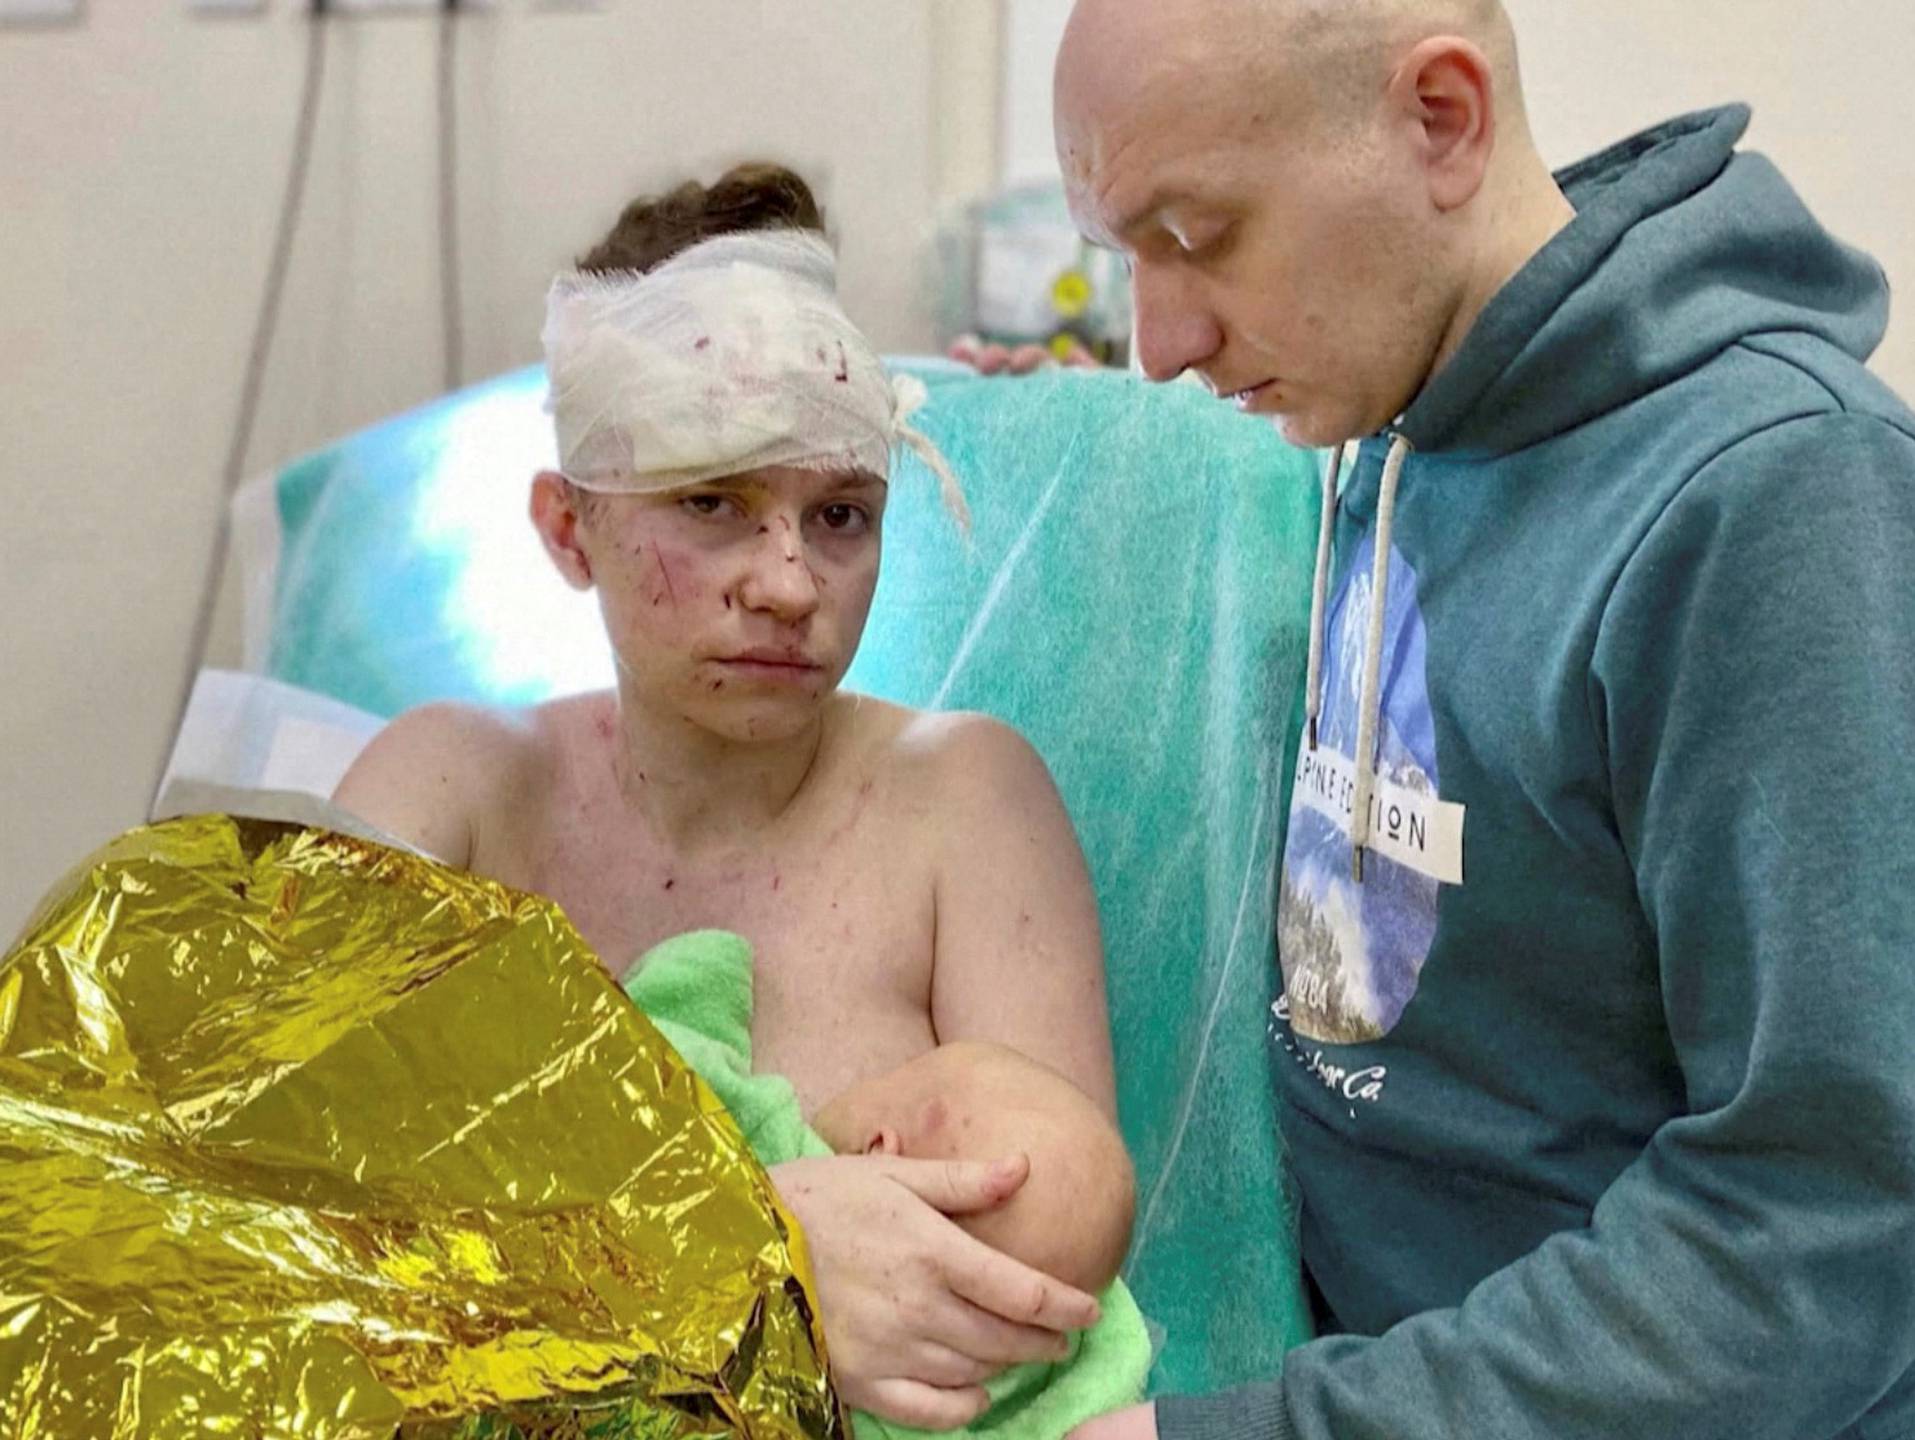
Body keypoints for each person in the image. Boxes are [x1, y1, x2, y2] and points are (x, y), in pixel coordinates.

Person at [1045, 2, 1915, 1438]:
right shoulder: (1389, 400)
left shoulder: (1774, 501)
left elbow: (1822, 1222)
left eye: (1193, 235)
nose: (1157, 340)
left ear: (1437, 119)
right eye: (1118, 254)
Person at [333, 163, 1120, 1432]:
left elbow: (1043, 1278)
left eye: (841, 515)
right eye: (712, 502)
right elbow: (270, 1189)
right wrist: (737, 1262)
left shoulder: (965, 801)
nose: (789, 583)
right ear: (565, 530)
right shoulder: (453, 786)